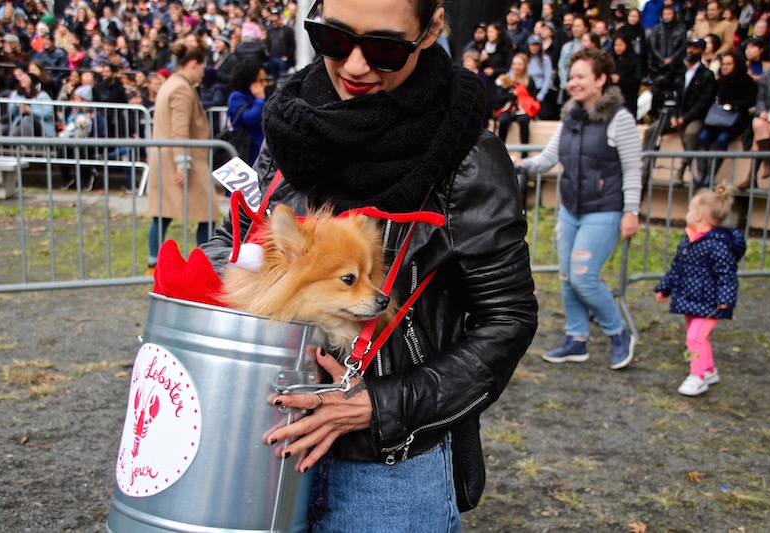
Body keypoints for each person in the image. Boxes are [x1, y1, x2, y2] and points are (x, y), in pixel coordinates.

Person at [199, 0, 538, 529]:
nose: (354, 66)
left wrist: (379, 406)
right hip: (258, 435)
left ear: (431, 31)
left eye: (384, 48)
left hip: (383, 475)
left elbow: (509, 318)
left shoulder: (469, 158)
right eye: (333, 39)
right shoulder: (292, 121)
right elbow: (234, 238)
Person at [519, 47, 640, 370]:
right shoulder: (571, 115)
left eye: (581, 76)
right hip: (570, 210)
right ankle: (576, 339)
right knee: (566, 277)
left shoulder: (620, 118)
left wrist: (632, 211)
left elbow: (632, 168)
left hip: (604, 209)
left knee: (584, 276)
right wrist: (519, 164)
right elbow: (549, 157)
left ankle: (619, 334)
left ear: (601, 79)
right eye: (571, 77)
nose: (573, 83)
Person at [654, 185, 746, 396]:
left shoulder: (718, 245)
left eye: (689, 209)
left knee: (695, 338)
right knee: (695, 336)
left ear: (698, 215)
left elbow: (727, 275)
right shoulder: (689, 240)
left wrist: (726, 298)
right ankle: (709, 369)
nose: (686, 213)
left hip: (710, 302)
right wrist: (664, 288)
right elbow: (677, 268)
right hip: (691, 299)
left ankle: (698, 376)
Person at [147, 42, 216, 275]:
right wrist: (183, 164)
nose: (203, 74)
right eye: (202, 68)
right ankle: (203, 263)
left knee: (163, 214)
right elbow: (180, 130)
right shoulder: (182, 89)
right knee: (206, 213)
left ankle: (153, 262)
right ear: (194, 64)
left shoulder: (171, 84)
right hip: (184, 160)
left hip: (170, 158)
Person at [642, 38, 716, 187]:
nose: (691, 51)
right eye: (689, 47)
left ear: (701, 50)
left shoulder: (707, 75)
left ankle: (682, 170)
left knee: (692, 133)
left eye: (695, 48)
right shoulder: (679, 72)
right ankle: (644, 167)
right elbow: (672, 95)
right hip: (675, 114)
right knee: (651, 130)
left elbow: (704, 102)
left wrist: (685, 118)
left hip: (694, 116)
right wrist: (674, 116)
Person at [695, 51, 757, 187]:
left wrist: (733, 105)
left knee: (722, 139)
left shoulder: (746, 81)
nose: (725, 67)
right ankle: (702, 174)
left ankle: (711, 174)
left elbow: (750, 101)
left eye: (728, 64)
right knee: (703, 137)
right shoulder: (718, 81)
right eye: (723, 64)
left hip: (735, 120)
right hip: (716, 119)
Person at [744, 54, 770, 188]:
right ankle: (765, 164)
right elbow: (760, 98)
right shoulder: (769, 75)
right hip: (768, 113)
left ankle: (751, 177)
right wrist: (762, 111)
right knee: (758, 124)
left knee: (757, 140)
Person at [492, 52, 538, 153]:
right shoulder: (505, 80)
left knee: (524, 120)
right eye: (514, 64)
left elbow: (533, 99)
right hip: (507, 108)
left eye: (519, 64)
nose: (516, 67)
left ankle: (524, 152)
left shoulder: (530, 82)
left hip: (523, 110)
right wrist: (513, 95)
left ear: (524, 66)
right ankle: (500, 150)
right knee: (503, 120)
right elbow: (498, 98)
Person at [225, 60, 266, 165]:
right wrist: (260, 100)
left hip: (260, 148)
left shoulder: (262, 95)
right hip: (247, 149)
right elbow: (249, 118)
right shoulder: (237, 97)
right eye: (261, 81)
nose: (264, 84)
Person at [610, 33, 641, 116]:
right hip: (613, 96)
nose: (617, 48)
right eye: (616, 45)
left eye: (620, 45)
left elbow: (636, 80)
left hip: (628, 97)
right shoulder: (611, 59)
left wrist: (620, 79)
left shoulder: (634, 61)